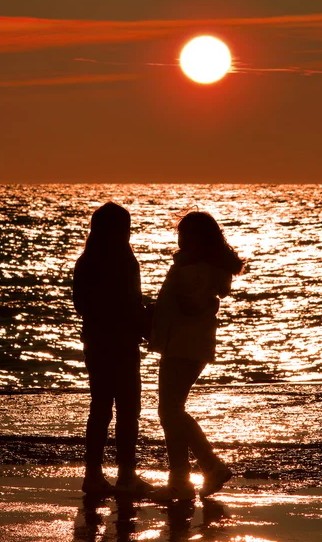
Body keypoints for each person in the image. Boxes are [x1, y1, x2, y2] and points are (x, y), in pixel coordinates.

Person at [150, 211, 244, 501]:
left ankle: (207, 466)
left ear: (199, 238)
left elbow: (188, 305)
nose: (179, 238)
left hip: (183, 345)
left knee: (171, 411)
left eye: (185, 233)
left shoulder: (194, 269)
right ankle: (181, 479)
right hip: (189, 345)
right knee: (171, 411)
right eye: (179, 231)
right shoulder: (202, 267)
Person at [73, 202, 153, 495]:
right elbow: (132, 304)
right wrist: (148, 321)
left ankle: (93, 474)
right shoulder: (125, 260)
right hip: (121, 344)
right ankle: (126, 475)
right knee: (128, 410)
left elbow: (80, 305)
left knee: (100, 409)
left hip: (95, 343)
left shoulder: (85, 261)